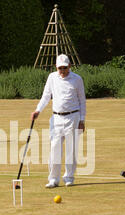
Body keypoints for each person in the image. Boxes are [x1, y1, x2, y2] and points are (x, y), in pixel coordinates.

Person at [31, 54, 86, 188]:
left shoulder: (77, 79)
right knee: (54, 149)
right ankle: (53, 179)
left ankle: (69, 177)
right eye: (60, 68)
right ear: (56, 67)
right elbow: (46, 96)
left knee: (71, 150)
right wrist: (38, 110)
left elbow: (82, 101)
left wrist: (82, 120)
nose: (62, 71)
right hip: (56, 118)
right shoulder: (52, 77)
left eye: (64, 68)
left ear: (69, 66)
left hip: (73, 117)